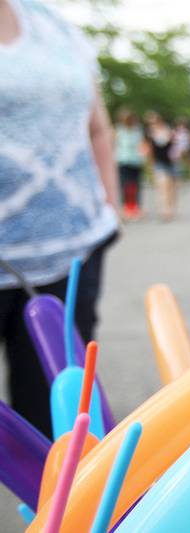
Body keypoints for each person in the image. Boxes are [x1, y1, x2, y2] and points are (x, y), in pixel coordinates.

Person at [0, 0, 119, 437]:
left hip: (74, 253)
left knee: (56, 420)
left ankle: (56, 509)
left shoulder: (54, 26)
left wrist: (108, 206)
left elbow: (97, 126)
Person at [144, 111, 177, 221]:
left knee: (171, 188)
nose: (152, 124)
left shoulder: (168, 131)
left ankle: (171, 207)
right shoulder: (149, 135)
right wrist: (149, 163)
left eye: (154, 122)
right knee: (163, 186)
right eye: (150, 123)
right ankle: (164, 210)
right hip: (158, 163)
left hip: (171, 163)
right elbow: (149, 151)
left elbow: (173, 146)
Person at [115, 109, 146, 221]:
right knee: (125, 186)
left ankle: (136, 208)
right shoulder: (119, 131)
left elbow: (141, 145)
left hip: (136, 161)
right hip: (123, 161)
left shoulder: (137, 131)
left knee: (136, 186)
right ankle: (127, 209)